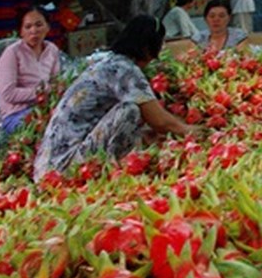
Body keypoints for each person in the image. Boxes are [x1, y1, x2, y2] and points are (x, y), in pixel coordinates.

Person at [34, 16, 199, 180]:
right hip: (63, 168)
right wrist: (192, 132)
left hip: (46, 166)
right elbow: (160, 121)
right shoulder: (125, 70)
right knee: (130, 110)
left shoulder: (106, 62)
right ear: (149, 47)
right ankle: (112, 172)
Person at [0, 5, 61, 133]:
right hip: (16, 115)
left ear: (48, 27)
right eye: (28, 27)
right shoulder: (12, 53)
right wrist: (41, 93)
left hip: (45, 108)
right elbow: (8, 94)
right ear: (21, 31)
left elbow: (56, 82)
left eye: (39, 25)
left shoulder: (52, 50)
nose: (34, 30)